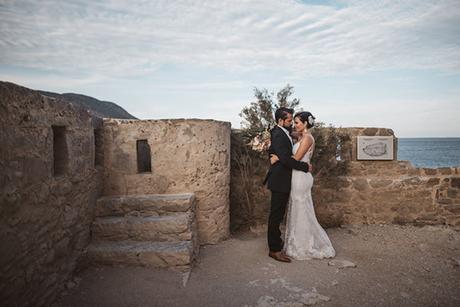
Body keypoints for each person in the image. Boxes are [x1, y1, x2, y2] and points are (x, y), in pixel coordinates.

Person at [270, 111, 335, 260]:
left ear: (305, 123)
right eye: (293, 121)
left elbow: (296, 158)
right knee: (298, 209)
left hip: (301, 178)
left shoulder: (307, 138)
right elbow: (283, 134)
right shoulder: (300, 136)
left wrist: (278, 157)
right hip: (296, 176)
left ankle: (305, 245)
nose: (294, 124)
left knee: (301, 209)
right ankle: (298, 242)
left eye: (297, 122)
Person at [264, 107, 311, 263]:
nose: (291, 123)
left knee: (279, 213)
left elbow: (277, 150)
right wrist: (305, 167)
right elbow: (285, 158)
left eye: (293, 121)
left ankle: (278, 244)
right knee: (276, 215)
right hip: (279, 180)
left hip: (284, 178)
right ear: (280, 120)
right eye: (289, 120)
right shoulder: (278, 133)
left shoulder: (282, 131)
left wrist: (272, 154)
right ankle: (275, 250)